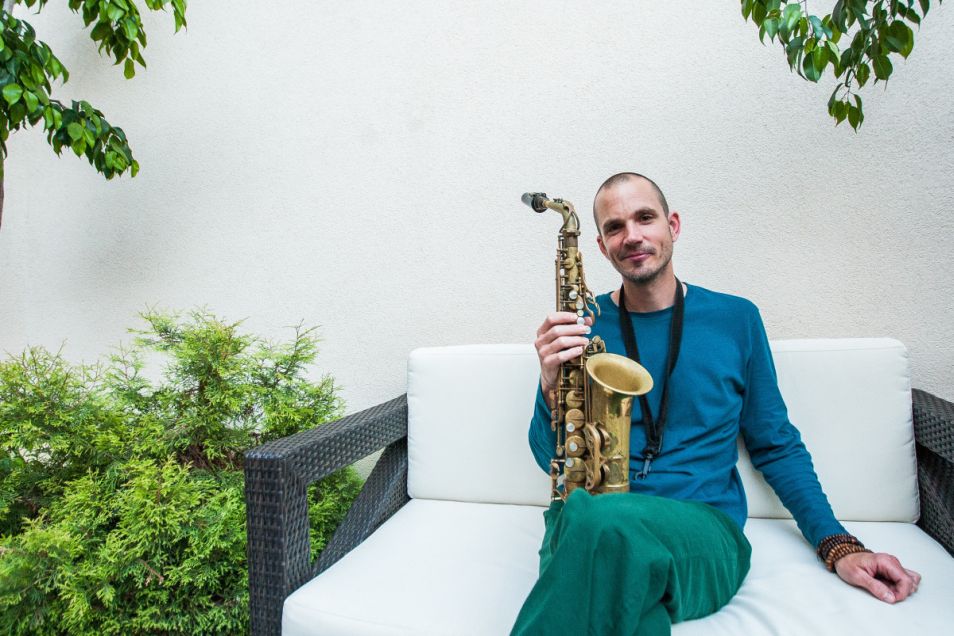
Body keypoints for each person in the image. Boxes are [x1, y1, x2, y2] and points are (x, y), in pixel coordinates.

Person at [511, 173, 921, 635]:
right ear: (602, 248)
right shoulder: (583, 328)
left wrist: (838, 544)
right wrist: (549, 382)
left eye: (645, 218)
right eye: (615, 227)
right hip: (587, 523)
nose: (633, 236)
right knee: (602, 547)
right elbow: (551, 459)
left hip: (702, 530)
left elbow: (775, 444)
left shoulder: (736, 319)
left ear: (673, 225)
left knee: (596, 523)